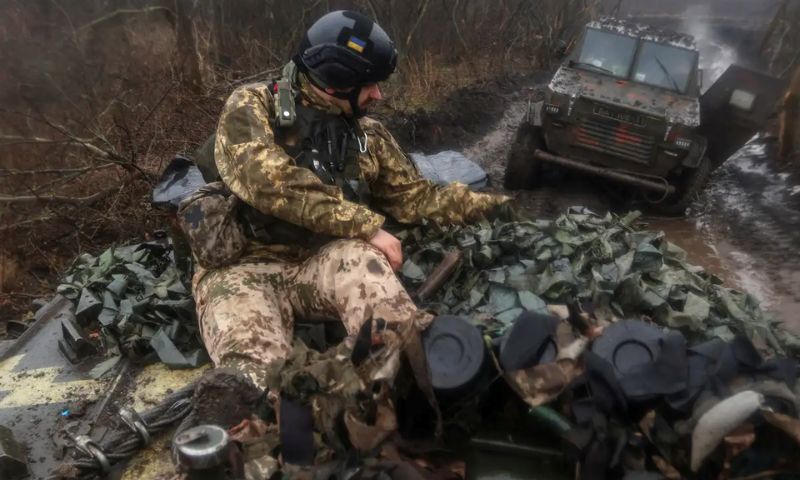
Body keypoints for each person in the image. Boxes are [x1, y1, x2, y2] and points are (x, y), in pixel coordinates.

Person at [181, 10, 512, 391]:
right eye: (369, 85)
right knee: (258, 382)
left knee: (368, 272)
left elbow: (416, 199)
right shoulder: (252, 107)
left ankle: (404, 381)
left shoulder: (369, 136)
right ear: (336, 81)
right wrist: (366, 226)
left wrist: (493, 205)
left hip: (321, 264)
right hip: (244, 268)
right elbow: (270, 182)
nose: (378, 95)